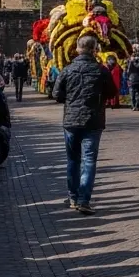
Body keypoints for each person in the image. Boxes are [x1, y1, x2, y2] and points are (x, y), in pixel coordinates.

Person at [53, 35, 117, 214]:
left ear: (77, 49)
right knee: (89, 161)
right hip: (93, 120)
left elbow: (57, 94)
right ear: (95, 49)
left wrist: (71, 99)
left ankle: (73, 196)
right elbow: (112, 92)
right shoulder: (101, 70)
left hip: (72, 120)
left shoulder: (67, 70)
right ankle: (83, 199)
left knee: (73, 160)